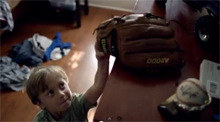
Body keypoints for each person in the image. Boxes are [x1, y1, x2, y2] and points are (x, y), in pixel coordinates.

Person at [25, 42, 110, 122]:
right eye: (51, 92)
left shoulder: (76, 104)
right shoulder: (41, 120)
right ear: (40, 103)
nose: (61, 94)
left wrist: (103, 61)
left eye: (62, 85)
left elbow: (98, 87)